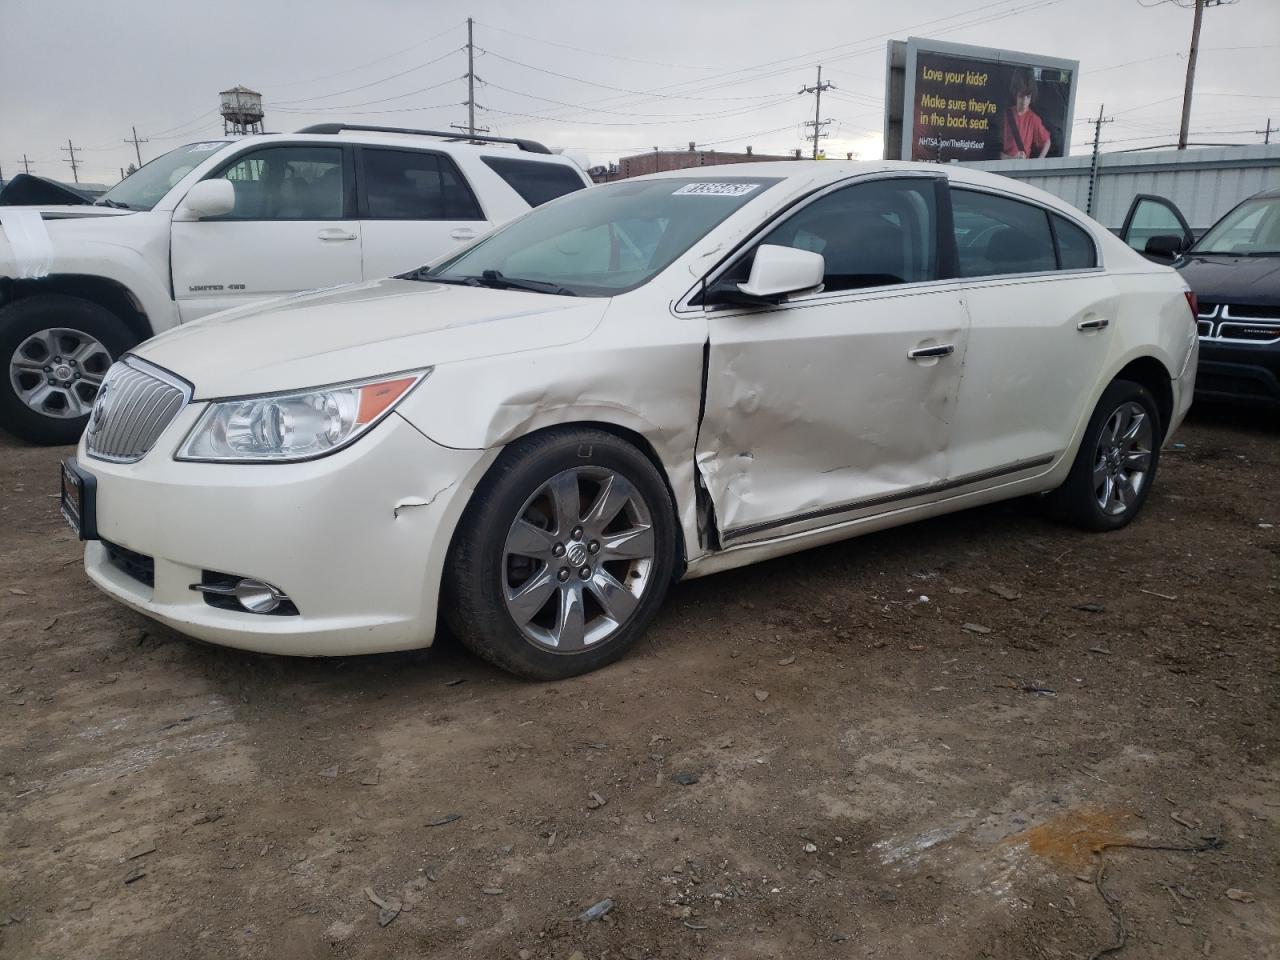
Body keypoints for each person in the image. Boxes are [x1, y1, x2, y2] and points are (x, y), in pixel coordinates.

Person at [1002, 69, 1052, 159]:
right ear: (1015, 94)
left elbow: (1047, 141)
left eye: (1028, 97)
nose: (1024, 102)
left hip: (1022, 168)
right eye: (1021, 96)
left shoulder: (1033, 119)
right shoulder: (1005, 115)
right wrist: (1012, 159)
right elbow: (994, 152)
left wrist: (1039, 161)